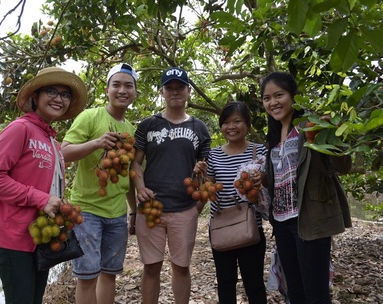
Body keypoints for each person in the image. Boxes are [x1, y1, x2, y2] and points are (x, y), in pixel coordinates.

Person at [0, 66, 87, 304]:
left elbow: (45, 186)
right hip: (14, 237)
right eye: (52, 91)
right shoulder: (20, 128)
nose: (59, 98)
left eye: (65, 94)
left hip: (40, 237)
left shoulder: (51, 140)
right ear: (35, 97)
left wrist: (59, 204)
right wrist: (41, 199)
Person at [260, 71, 352, 304]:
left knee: (316, 294)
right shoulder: (273, 134)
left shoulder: (311, 126)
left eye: (279, 95)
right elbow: (281, 176)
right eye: (267, 98)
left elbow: (343, 165)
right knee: (295, 291)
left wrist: (334, 133)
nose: (273, 102)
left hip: (308, 218)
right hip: (281, 222)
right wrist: (259, 179)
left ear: (293, 96)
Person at [131, 67, 211, 304]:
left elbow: (206, 171)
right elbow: (135, 163)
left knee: (181, 267)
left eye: (180, 87)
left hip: (184, 209)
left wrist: (198, 204)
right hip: (151, 207)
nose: (175, 92)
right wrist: (140, 187)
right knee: (151, 267)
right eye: (169, 88)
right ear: (162, 92)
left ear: (188, 91)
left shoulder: (200, 128)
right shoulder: (147, 125)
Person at [61, 63, 138, 304]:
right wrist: (96, 143)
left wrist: (134, 211)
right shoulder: (90, 116)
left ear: (135, 92)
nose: (122, 90)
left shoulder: (131, 130)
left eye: (128, 86)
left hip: (117, 215)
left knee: (109, 274)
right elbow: (63, 152)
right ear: (107, 89)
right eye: (116, 85)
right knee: (86, 277)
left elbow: (128, 177)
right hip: (87, 212)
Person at [194, 101, 268, 304]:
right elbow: (207, 190)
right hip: (221, 226)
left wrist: (259, 182)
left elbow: (269, 185)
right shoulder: (214, 154)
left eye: (237, 121)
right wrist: (200, 177)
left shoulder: (259, 151)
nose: (231, 127)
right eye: (226, 122)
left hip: (251, 226)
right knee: (225, 282)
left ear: (248, 125)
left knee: (254, 283)